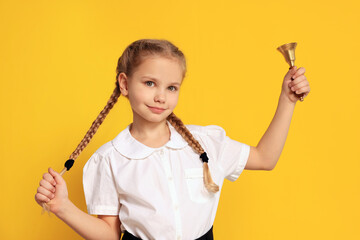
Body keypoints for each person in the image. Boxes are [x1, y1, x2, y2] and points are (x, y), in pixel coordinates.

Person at [34, 39, 310, 240]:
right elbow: (109, 233)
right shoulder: (110, 158)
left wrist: (287, 100)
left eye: (171, 87)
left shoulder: (206, 143)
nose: (161, 96)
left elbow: (265, 157)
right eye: (150, 83)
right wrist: (62, 207)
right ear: (125, 84)